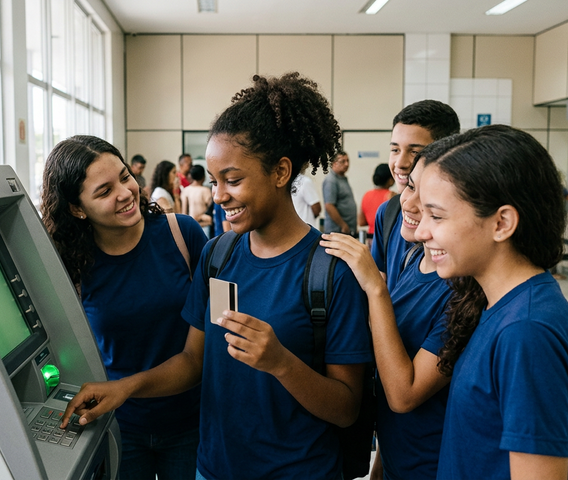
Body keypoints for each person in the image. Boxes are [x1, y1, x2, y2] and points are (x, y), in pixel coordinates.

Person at [59, 73, 372, 480]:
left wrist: (280, 363)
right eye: (214, 181)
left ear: (280, 172)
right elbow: (193, 361)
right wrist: (125, 388)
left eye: (233, 180)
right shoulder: (218, 255)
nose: (219, 196)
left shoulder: (330, 271)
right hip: (213, 467)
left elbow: (347, 408)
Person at [414, 125, 568, 479]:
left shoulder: (526, 333)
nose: (421, 231)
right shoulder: (500, 307)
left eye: (436, 216)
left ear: (502, 223)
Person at [40, 136, 206, 479]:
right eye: (103, 191)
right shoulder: (72, 267)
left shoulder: (182, 235)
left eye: (125, 176)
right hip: (118, 426)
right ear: (76, 208)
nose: (125, 192)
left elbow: (199, 357)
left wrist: (125, 388)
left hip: (192, 422)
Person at [321, 151, 453, 479]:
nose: (408, 203)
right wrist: (381, 457)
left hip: (430, 464)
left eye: (430, 199)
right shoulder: (411, 261)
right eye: (408, 187)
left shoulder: (462, 292)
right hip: (397, 456)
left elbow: (403, 393)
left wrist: (376, 291)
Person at [371, 100, 460, 291]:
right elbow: (380, 281)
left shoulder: (457, 225)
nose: (400, 163)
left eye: (415, 152)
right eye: (395, 150)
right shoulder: (389, 212)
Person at [359, 163, 395, 246]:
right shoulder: (392, 196)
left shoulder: (366, 195)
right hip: (386, 239)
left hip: (370, 239)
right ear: (390, 180)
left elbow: (361, 222)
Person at [323, 151, 357, 234]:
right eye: (343, 161)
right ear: (334, 163)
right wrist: (343, 225)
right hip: (337, 231)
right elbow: (329, 206)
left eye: (347, 161)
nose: (346, 164)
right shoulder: (331, 181)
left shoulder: (342, 179)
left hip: (346, 230)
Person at [181, 164, 213, 237]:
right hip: (204, 225)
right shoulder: (206, 191)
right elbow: (211, 210)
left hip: (190, 224)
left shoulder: (186, 190)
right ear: (203, 177)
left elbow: (184, 213)